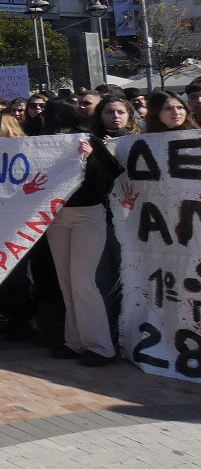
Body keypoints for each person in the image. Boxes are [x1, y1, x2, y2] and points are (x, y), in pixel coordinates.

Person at [46, 94, 137, 367]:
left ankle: (100, 346)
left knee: (83, 280)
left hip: (88, 213)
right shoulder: (44, 143)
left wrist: (91, 158)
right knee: (66, 281)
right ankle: (74, 341)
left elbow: (108, 179)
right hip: (55, 216)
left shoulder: (89, 140)